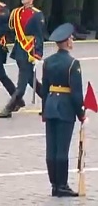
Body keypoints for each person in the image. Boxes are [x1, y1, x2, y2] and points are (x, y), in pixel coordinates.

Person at [41, 23, 85, 197]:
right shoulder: (73, 63)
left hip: (51, 105)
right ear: (67, 42)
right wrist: (81, 114)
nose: (72, 40)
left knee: (51, 148)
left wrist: (44, 110)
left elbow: (44, 89)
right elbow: (76, 93)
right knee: (62, 149)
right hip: (65, 107)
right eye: (71, 38)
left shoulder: (48, 62)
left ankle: (54, 184)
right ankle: (62, 185)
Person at [0, 0, 45, 118]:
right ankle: (49, 103)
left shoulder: (37, 15)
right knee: (30, 80)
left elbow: (39, 36)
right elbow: (7, 24)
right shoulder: (16, 12)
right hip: (20, 49)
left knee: (22, 82)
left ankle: (9, 108)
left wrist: (38, 54)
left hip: (29, 50)